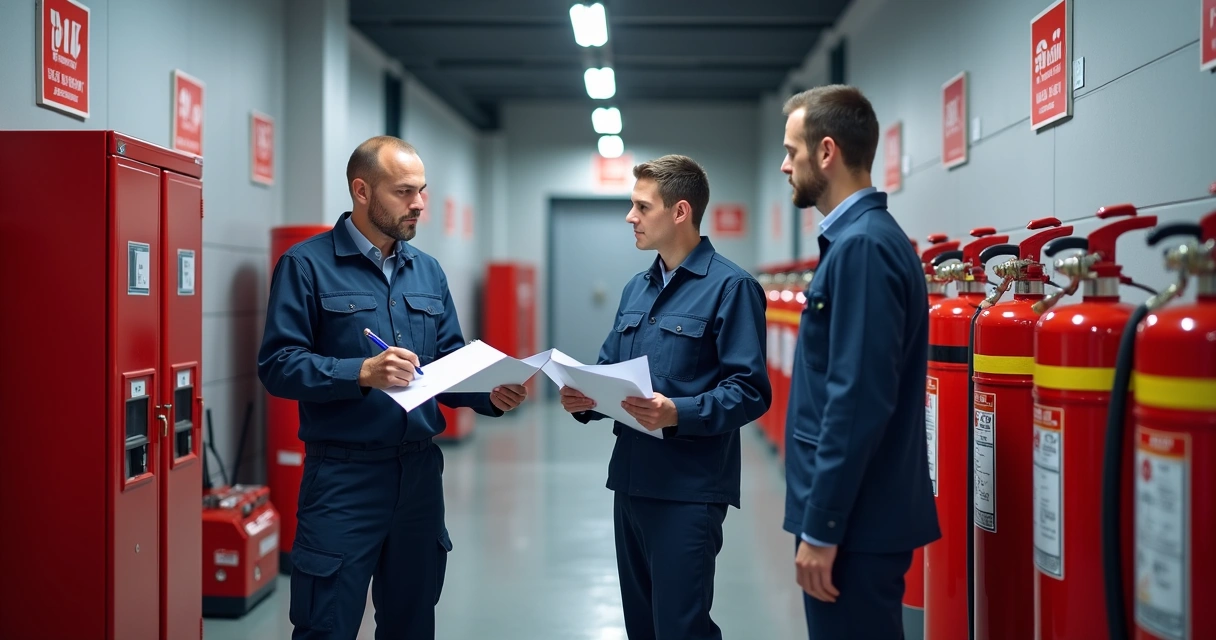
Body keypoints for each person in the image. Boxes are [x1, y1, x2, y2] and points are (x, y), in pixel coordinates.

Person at [257, 136, 528, 639]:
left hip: (419, 475)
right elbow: (278, 365)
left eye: (422, 190)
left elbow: (447, 363)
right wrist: (361, 372)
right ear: (362, 191)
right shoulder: (306, 266)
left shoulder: (426, 270)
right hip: (343, 477)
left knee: (411, 622)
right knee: (326, 623)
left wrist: (490, 393)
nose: (419, 203)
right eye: (404, 192)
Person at [560, 155, 772, 640]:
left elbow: (750, 392)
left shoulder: (732, 287)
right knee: (641, 626)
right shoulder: (638, 288)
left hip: (688, 491)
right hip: (631, 484)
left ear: (680, 212)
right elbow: (609, 367)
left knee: (680, 628)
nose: (630, 217)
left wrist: (678, 412)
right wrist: (584, 398)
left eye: (641, 206)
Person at [779, 86, 940, 638]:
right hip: (856, 518)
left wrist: (822, 527)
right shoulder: (855, 242)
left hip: (855, 526)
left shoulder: (864, 248)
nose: (785, 166)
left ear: (826, 152)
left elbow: (856, 400)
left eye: (791, 152)